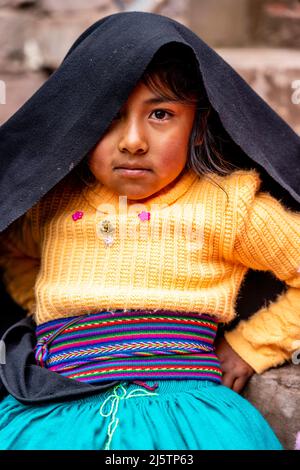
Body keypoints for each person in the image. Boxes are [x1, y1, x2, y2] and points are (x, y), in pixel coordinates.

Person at [0, 11, 299, 451]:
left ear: (197, 128)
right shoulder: (51, 206)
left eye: (160, 113)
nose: (133, 140)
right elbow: (12, 251)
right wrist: (48, 310)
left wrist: (251, 345)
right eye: (108, 116)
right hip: (55, 413)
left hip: (189, 421)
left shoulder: (227, 207)